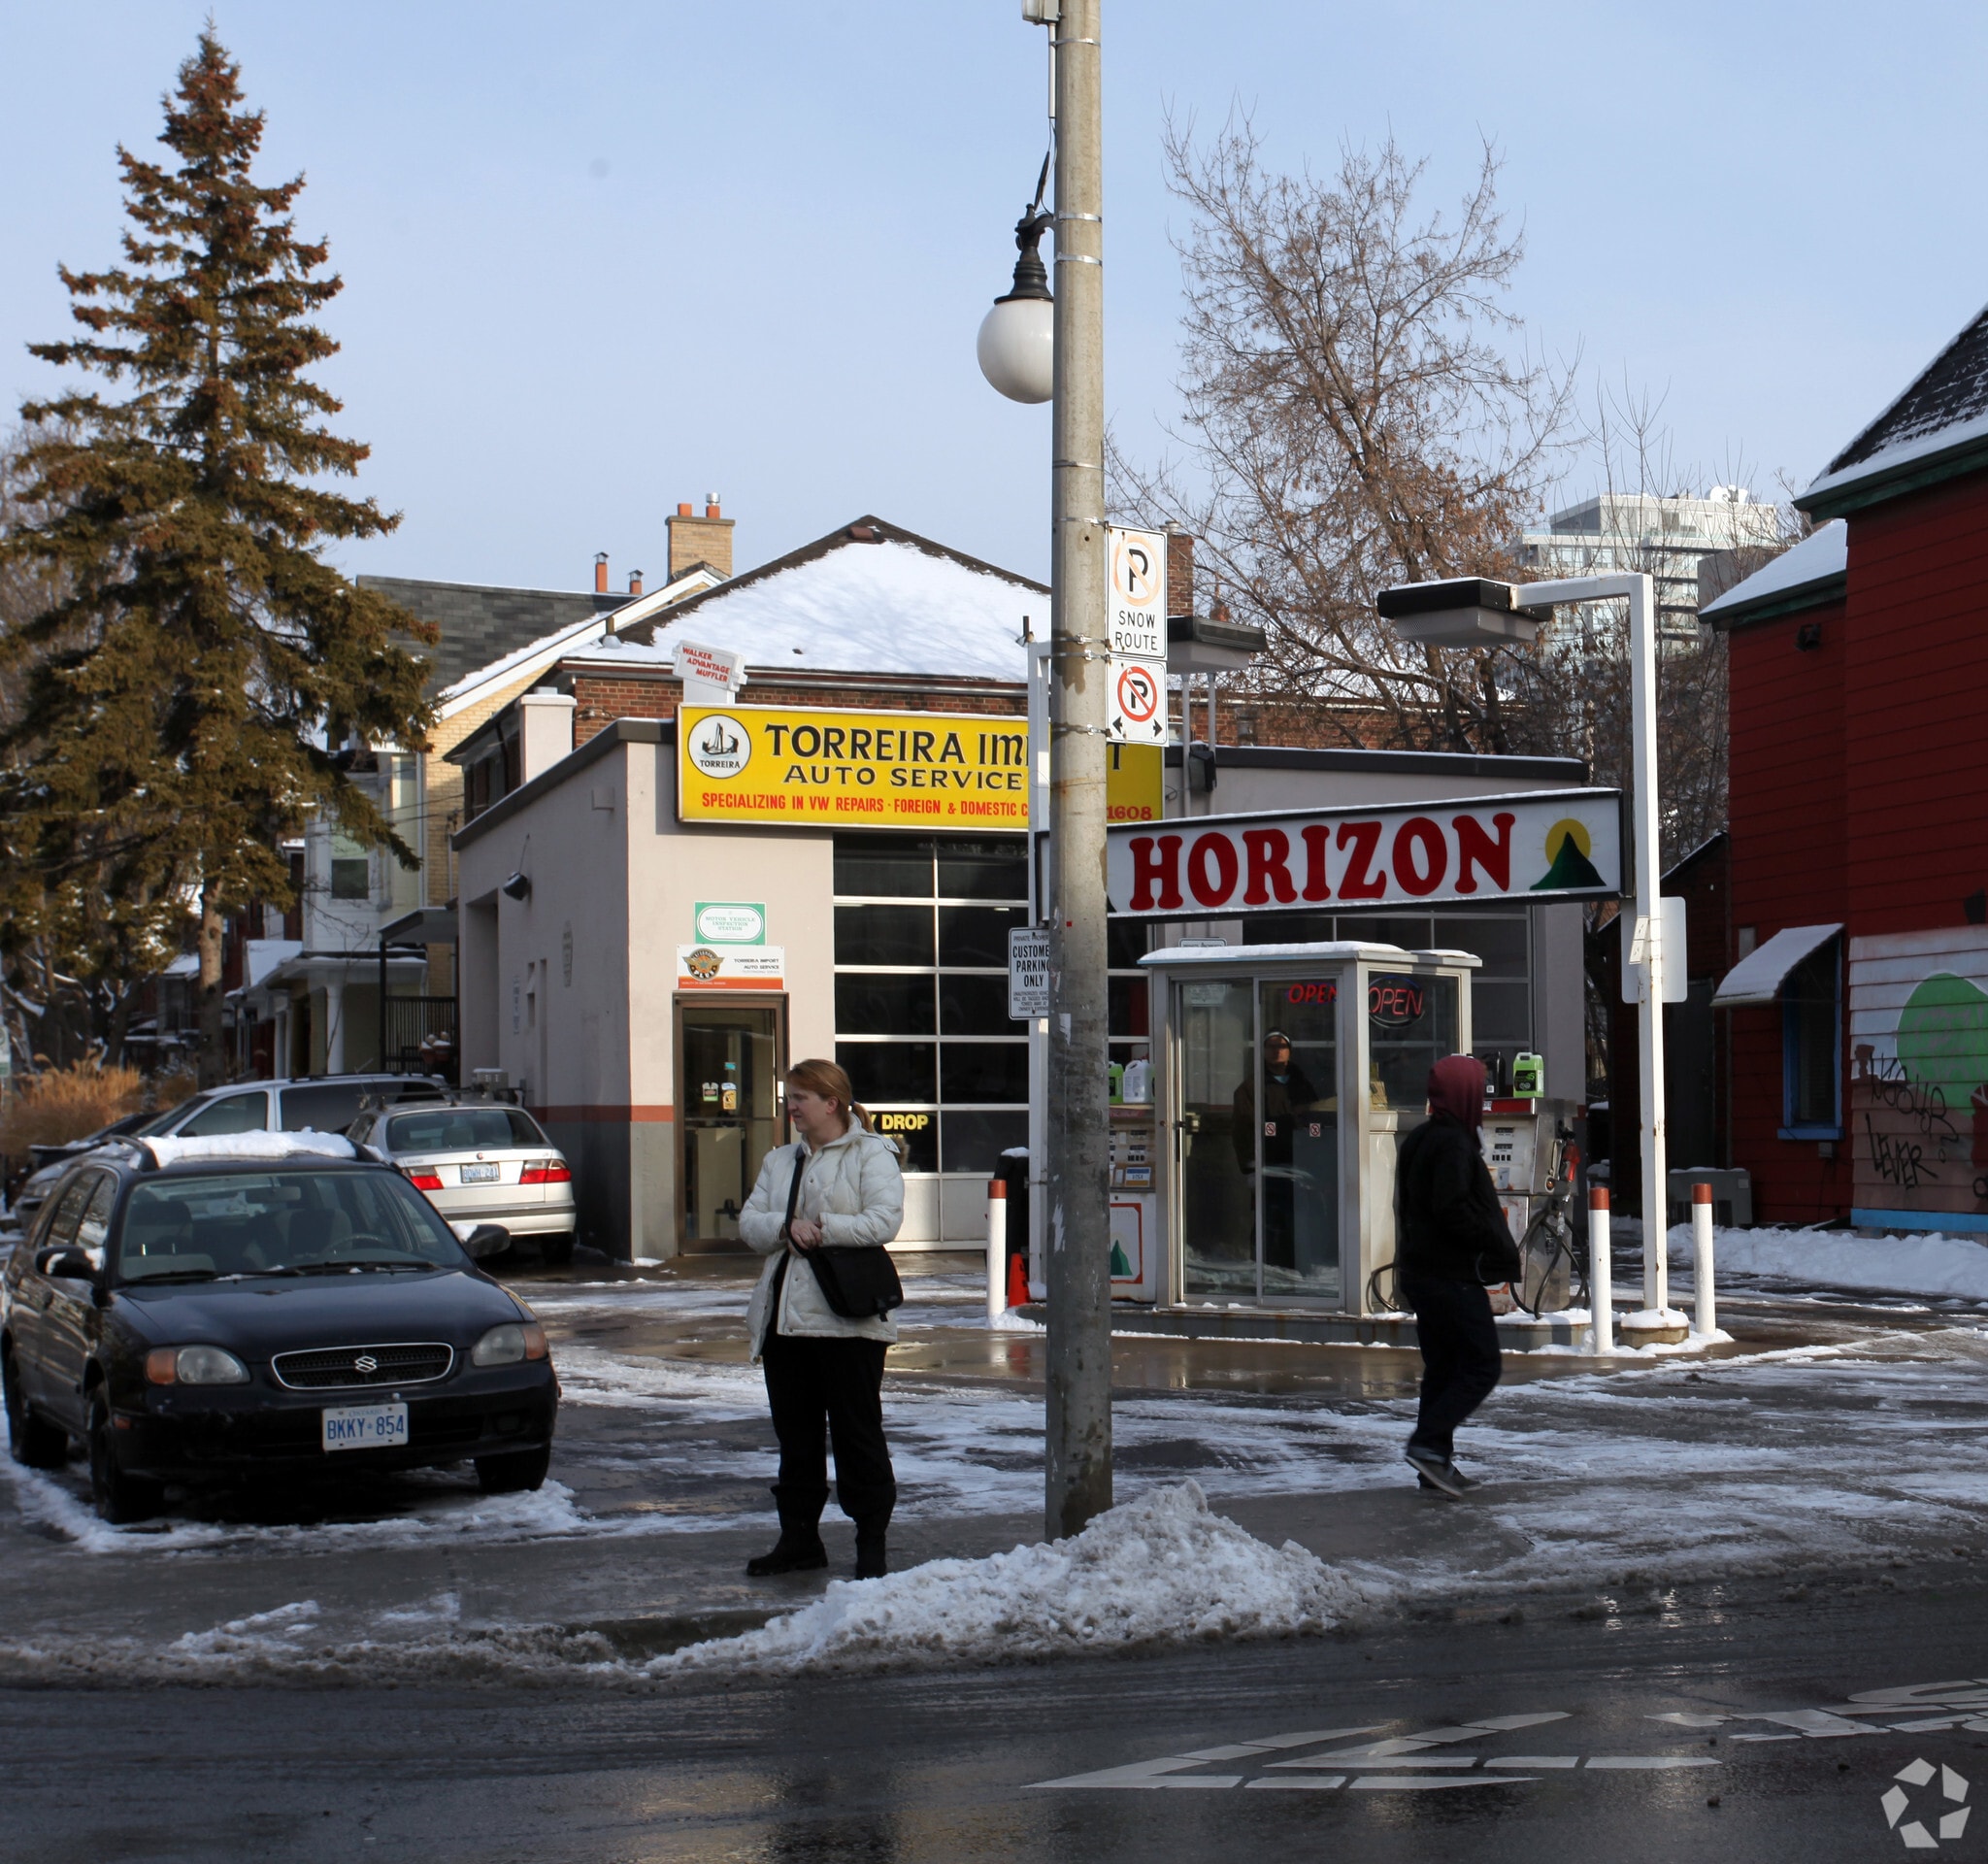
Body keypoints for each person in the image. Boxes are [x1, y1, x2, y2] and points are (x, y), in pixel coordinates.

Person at [738, 1058, 905, 1580]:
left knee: (858, 1434)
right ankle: (799, 1542)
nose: (790, 1107)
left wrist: (823, 1227)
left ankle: (871, 1545)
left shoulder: (871, 1154)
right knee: (796, 1439)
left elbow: (885, 1220)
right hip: (785, 1322)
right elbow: (749, 1222)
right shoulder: (779, 1160)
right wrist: (786, 1227)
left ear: (831, 1102)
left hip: (848, 1322)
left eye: (800, 1098)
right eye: (789, 1098)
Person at [1393, 1052, 1521, 1497]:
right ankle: (1428, 1447)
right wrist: (1489, 1235)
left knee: (1444, 1368)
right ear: (1462, 1094)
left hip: (1423, 1271)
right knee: (1481, 1365)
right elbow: (1451, 1208)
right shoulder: (1452, 1143)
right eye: (1478, 1089)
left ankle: (1435, 1465)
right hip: (1449, 1275)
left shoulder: (1422, 1138)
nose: (1482, 1099)